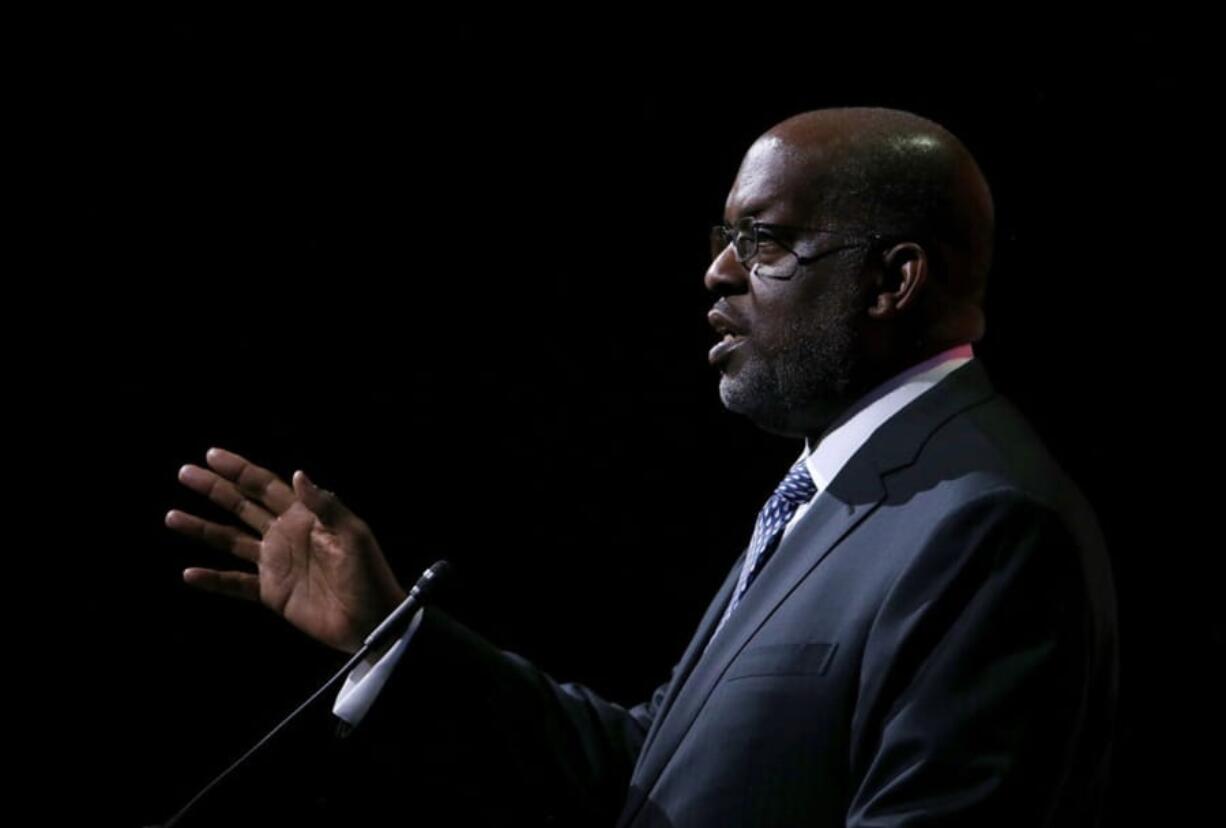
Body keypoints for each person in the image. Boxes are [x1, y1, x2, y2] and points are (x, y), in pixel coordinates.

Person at [166, 107, 1119, 826]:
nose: (717, 272)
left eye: (763, 241)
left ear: (892, 280)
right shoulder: (833, 493)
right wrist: (391, 635)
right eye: (724, 241)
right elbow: (650, 767)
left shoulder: (985, 523)